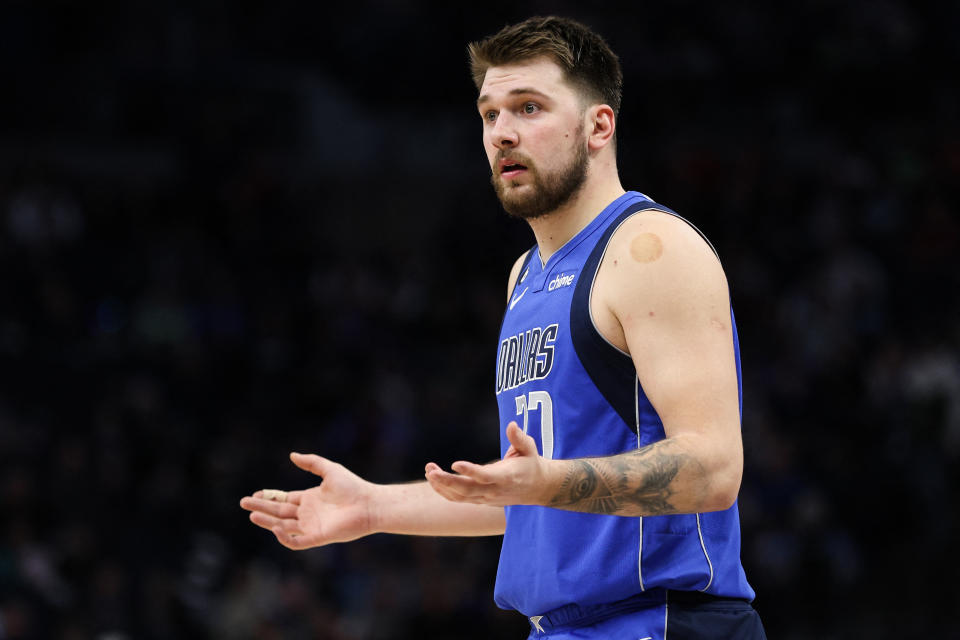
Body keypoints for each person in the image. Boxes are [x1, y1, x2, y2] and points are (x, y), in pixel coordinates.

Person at [241, 15, 766, 639]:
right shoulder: (527, 274)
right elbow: (534, 498)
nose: (503, 134)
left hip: (661, 621)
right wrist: (374, 506)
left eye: (529, 108)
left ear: (598, 126)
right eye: (490, 114)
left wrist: (548, 482)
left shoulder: (649, 249)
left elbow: (713, 470)